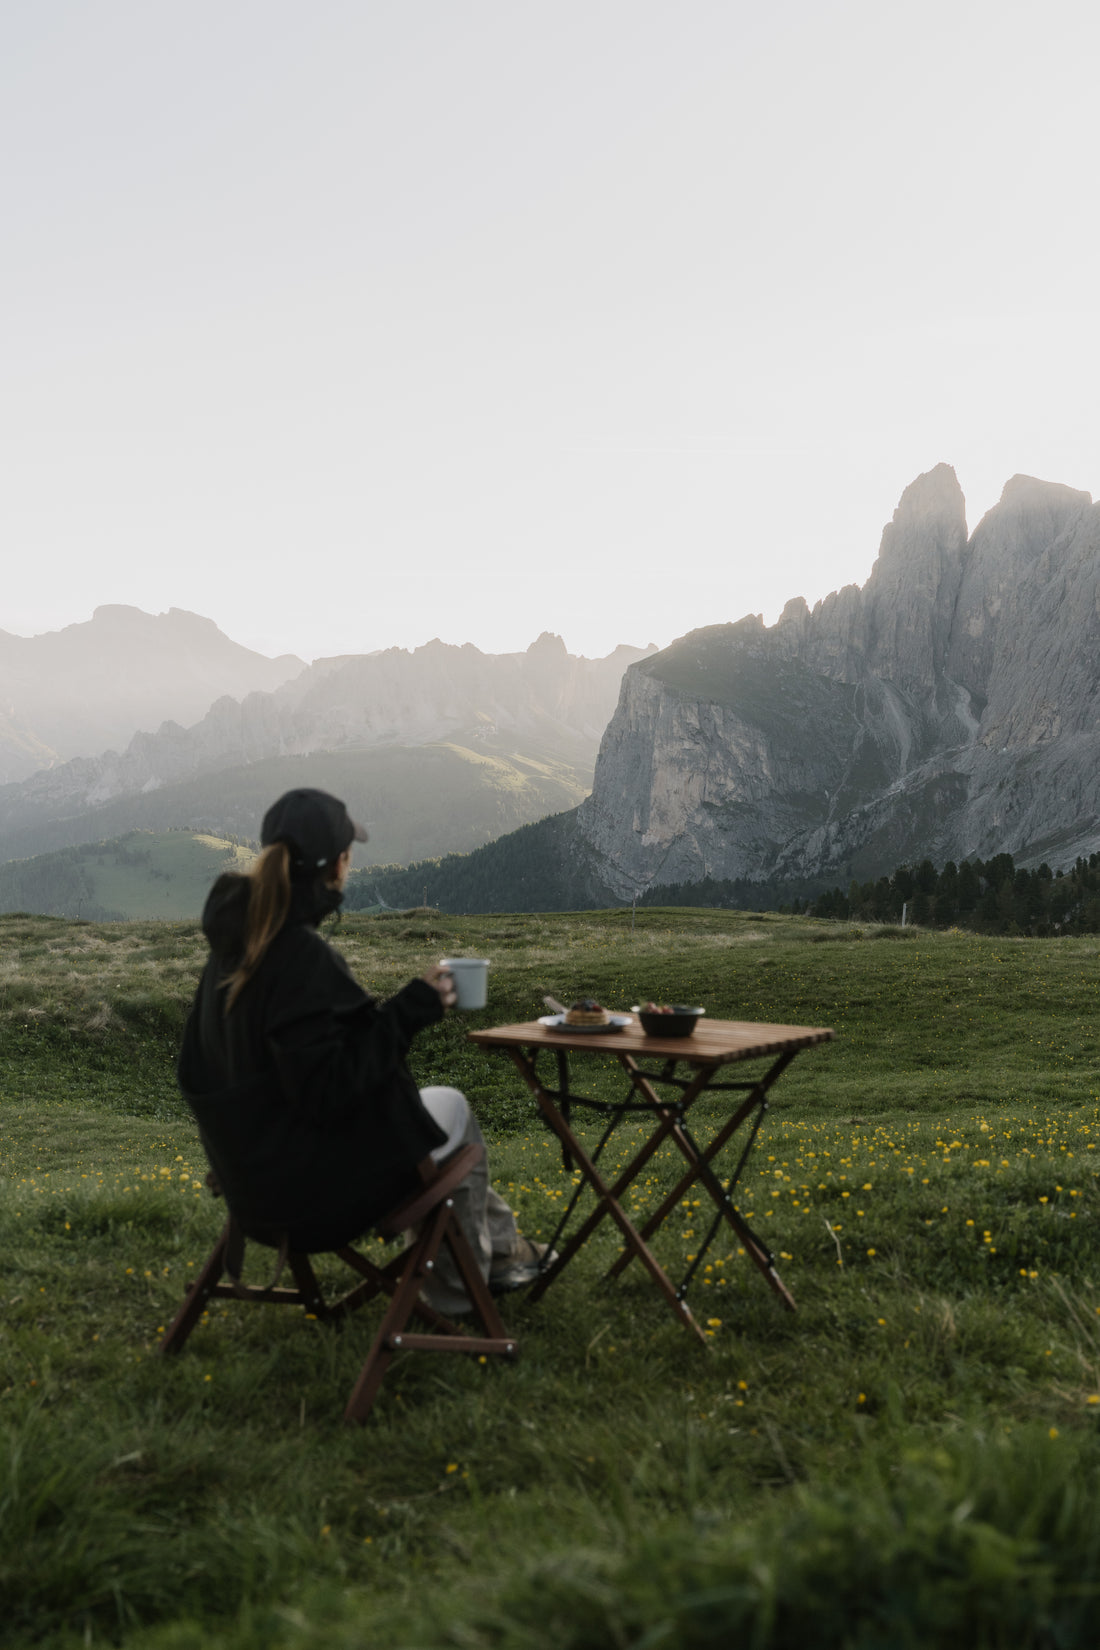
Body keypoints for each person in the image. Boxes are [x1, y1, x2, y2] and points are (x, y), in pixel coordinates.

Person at [177, 786, 549, 1314]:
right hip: (311, 1197)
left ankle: (504, 1252)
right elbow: (334, 1089)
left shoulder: (232, 949)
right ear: (339, 864)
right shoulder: (300, 957)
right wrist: (414, 1006)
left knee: (435, 1112)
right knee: (455, 1110)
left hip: (252, 1182)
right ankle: (457, 1290)